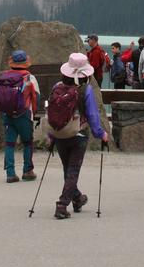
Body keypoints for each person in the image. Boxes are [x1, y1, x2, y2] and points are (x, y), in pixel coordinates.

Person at [45, 53, 109, 219]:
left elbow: (52, 113)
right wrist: (101, 134)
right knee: (73, 169)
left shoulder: (57, 87)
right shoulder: (85, 90)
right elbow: (93, 115)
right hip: (78, 134)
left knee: (68, 169)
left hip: (59, 134)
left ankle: (78, 199)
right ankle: (62, 204)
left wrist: (51, 135)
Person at [0, 50, 41, 183]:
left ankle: (10, 173)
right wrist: (34, 112)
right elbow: (36, 97)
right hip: (24, 114)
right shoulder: (29, 78)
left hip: (8, 114)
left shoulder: (3, 76)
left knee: (9, 143)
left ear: (12, 62)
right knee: (27, 142)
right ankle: (27, 170)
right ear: (26, 63)